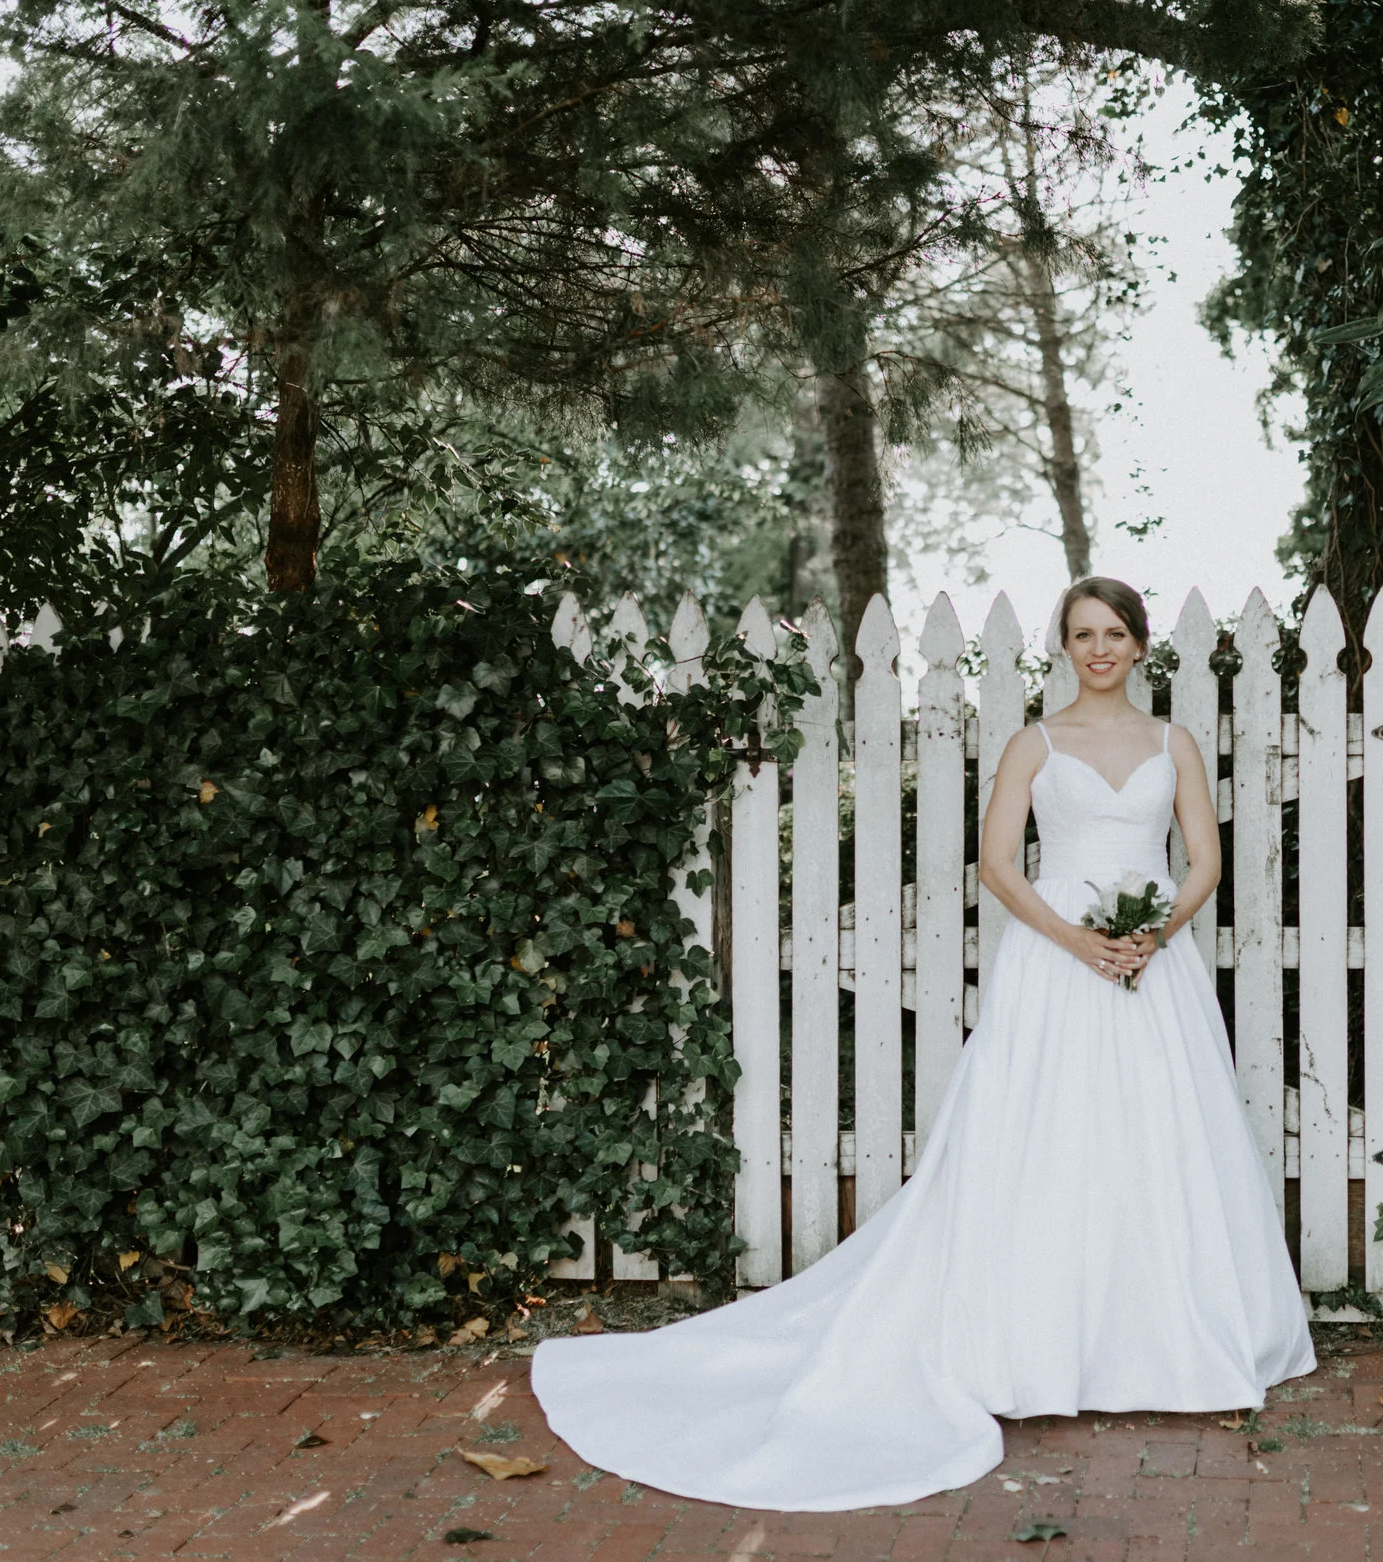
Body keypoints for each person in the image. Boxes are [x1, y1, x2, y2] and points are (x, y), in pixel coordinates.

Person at [530, 576, 1314, 1511]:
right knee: (1045, 1140)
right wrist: (1077, 943)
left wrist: (1155, 932)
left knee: (1157, 1140)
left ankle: (1161, 1337)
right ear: (1064, 648)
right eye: (1081, 634)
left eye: (1114, 633)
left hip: (1152, 966)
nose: (1098, 648)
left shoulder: (1173, 743)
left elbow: (1207, 858)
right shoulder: (1036, 741)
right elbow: (996, 863)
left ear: (1142, 646)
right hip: (1058, 963)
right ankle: (1035, 1344)